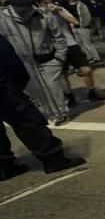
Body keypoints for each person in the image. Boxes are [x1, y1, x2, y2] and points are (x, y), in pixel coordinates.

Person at [0, 33, 86, 180]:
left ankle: (4, 165)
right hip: (4, 88)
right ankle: (52, 158)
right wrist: (18, 84)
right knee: (27, 121)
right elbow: (10, 61)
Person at [0, 0, 70, 124]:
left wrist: (60, 57)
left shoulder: (43, 15)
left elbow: (58, 36)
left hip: (47, 59)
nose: (22, 13)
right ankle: (45, 114)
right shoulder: (3, 18)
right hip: (22, 61)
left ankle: (61, 113)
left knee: (52, 87)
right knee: (34, 90)